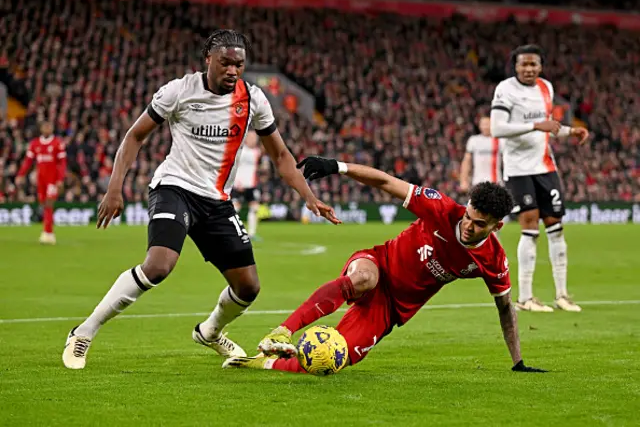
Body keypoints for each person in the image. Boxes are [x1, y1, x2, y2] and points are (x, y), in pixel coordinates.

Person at [62, 29, 339, 370]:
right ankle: (83, 332)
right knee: (159, 265)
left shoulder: (254, 100)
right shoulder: (179, 91)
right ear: (208, 59)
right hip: (174, 188)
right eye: (225, 63)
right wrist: (115, 187)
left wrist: (308, 196)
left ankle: (209, 332)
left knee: (248, 287)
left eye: (239, 64)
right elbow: (135, 136)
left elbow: (281, 155)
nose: (232, 71)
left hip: (217, 201)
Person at [223, 156, 546, 374]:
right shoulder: (442, 208)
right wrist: (337, 166)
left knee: (337, 358)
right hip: (378, 263)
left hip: (394, 308)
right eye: (468, 216)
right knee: (363, 279)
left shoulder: (493, 260)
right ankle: (282, 331)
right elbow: (386, 182)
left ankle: (259, 363)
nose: (468, 226)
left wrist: (517, 361)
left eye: (479, 224)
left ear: (496, 227)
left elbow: (505, 308)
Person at [490, 44, 588, 313]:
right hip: (518, 169)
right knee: (530, 225)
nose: (529, 69)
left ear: (541, 66)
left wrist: (570, 132)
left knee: (556, 226)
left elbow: (548, 127)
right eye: (524, 64)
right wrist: (535, 125)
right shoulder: (505, 89)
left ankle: (562, 295)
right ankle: (526, 297)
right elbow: (498, 128)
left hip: (545, 165)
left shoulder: (546, 87)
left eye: (534, 64)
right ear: (515, 66)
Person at [15, 121, 66, 245]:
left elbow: (62, 163)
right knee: (43, 204)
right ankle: (47, 232)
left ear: (52, 129)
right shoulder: (35, 144)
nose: (47, 129)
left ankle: (48, 233)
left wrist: (60, 179)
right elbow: (28, 161)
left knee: (49, 203)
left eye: (49, 127)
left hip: (52, 180)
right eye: (45, 127)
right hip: (40, 180)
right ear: (41, 129)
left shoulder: (57, 143)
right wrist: (21, 175)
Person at [232, 130, 262, 241]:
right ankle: (233, 231)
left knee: (254, 208)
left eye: (255, 138)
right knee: (234, 209)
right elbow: (234, 167)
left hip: (251, 185)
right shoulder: (241, 151)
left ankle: (252, 233)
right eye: (251, 138)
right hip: (239, 184)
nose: (254, 140)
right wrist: (237, 182)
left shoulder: (257, 152)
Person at [459, 116, 503, 193]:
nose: (486, 126)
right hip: (478, 182)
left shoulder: (500, 140)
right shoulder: (474, 140)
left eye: (488, 124)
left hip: (496, 182)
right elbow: (466, 161)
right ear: (479, 126)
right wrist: (463, 180)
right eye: (483, 124)